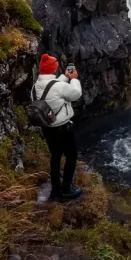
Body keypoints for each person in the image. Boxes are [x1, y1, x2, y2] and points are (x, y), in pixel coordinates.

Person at [32, 53, 84, 200]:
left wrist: (65, 76)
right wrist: (73, 79)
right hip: (62, 128)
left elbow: (52, 87)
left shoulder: (36, 87)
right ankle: (66, 189)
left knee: (55, 157)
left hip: (47, 129)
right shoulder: (58, 87)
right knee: (71, 156)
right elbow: (76, 93)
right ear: (53, 69)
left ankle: (55, 190)